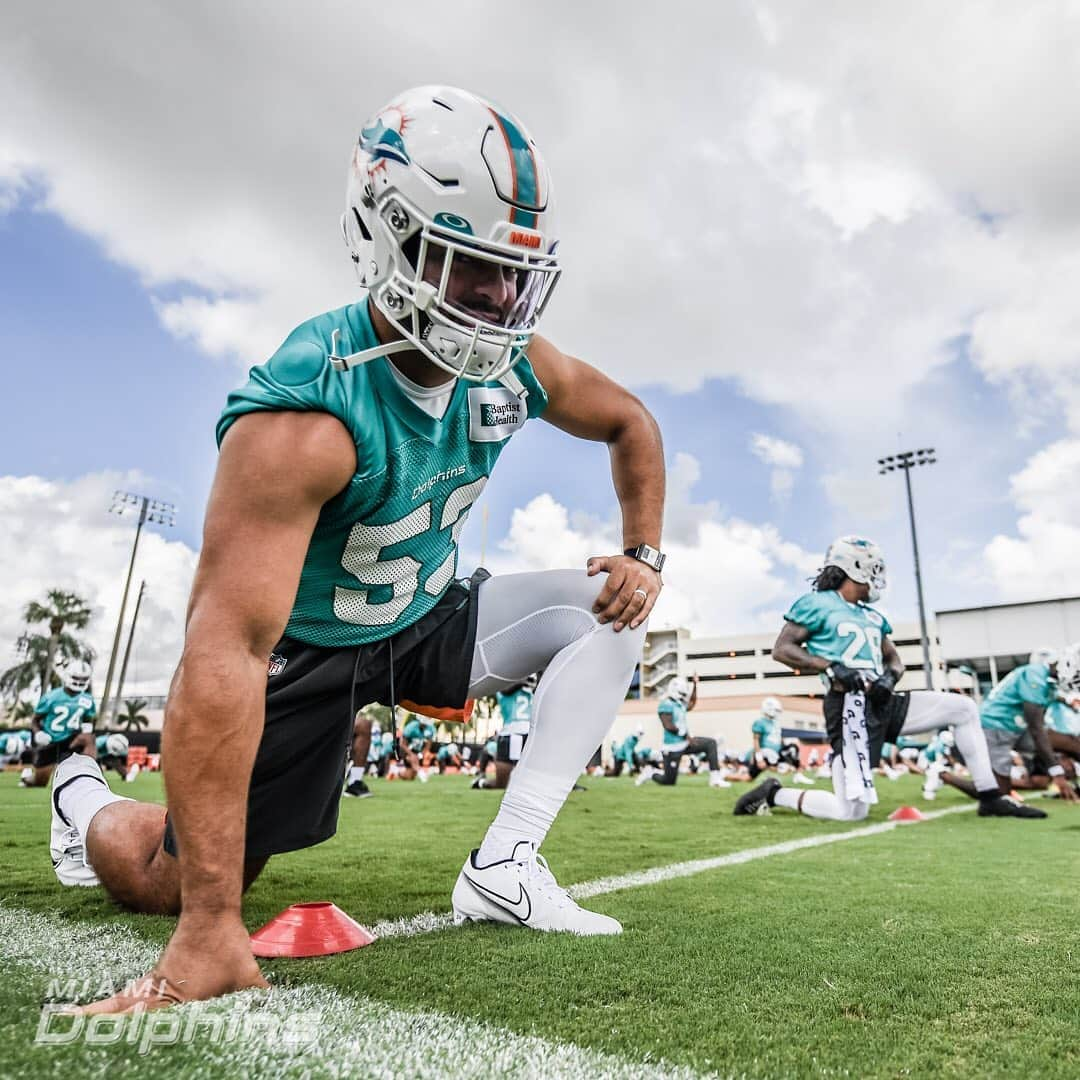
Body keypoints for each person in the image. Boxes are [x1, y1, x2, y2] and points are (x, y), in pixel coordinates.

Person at [51, 84, 665, 1013]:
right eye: (469, 267)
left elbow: (630, 421)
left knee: (610, 610)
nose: (499, 299)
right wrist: (210, 923)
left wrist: (644, 554)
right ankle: (85, 805)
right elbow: (225, 650)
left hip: (426, 610)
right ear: (392, 241)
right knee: (165, 884)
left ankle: (506, 864)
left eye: (511, 271)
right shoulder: (308, 415)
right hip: (308, 647)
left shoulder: (514, 365)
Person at [736, 536, 1049, 821]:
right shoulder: (817, 604)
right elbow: (782, 648)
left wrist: (890, 678)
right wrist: (829, 665)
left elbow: (894, 660)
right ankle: (775, 793)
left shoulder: (872, 616)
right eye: (873, 568)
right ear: (853, 566)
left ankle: (991, 796)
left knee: (964, 708)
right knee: (851, 812)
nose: (877, 575)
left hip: (883, 701)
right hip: (848, 710)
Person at [958, 647, 1080, 801]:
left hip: (1018, 728)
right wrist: (1056, 771)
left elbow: (1056, 695)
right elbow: (1036, 729)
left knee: (1073, 744)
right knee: (998, 792)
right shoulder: (1034, 677)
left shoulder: (1047, 677)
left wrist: (1070, 701)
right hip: (996, 727)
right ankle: (943, 775)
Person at [637, 676, 728, 789]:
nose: (683, 696)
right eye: (682, 693)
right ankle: (650, 773)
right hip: (672, 747)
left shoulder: (679, 704)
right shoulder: (666, 705)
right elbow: (668, 726)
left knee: (711, 743)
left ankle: (715, 779)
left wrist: (695, 685)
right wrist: (686, 735)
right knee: (668, 781)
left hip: (685, 743)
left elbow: (692, 702)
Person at [22, 660, 96, 788]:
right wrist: (39, 733)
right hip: (51, 740)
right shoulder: (51, 697)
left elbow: (88, 721)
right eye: (76, 677)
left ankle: (90, 773)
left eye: (83, 678)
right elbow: (35, 720)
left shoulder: (87, 699)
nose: (79, 681)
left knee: (89, 738)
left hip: (71, 739)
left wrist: (86, 730)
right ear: (67, 676)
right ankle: (26, 777)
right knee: (40, 783)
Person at [474, 678, 534, 789]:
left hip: (530, 734)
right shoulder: (503, 683)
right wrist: (523, 682)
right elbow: (505, 690)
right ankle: (481, 783)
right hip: (510, 733)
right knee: (503, 784)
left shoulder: (531, 684)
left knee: (531, 783)